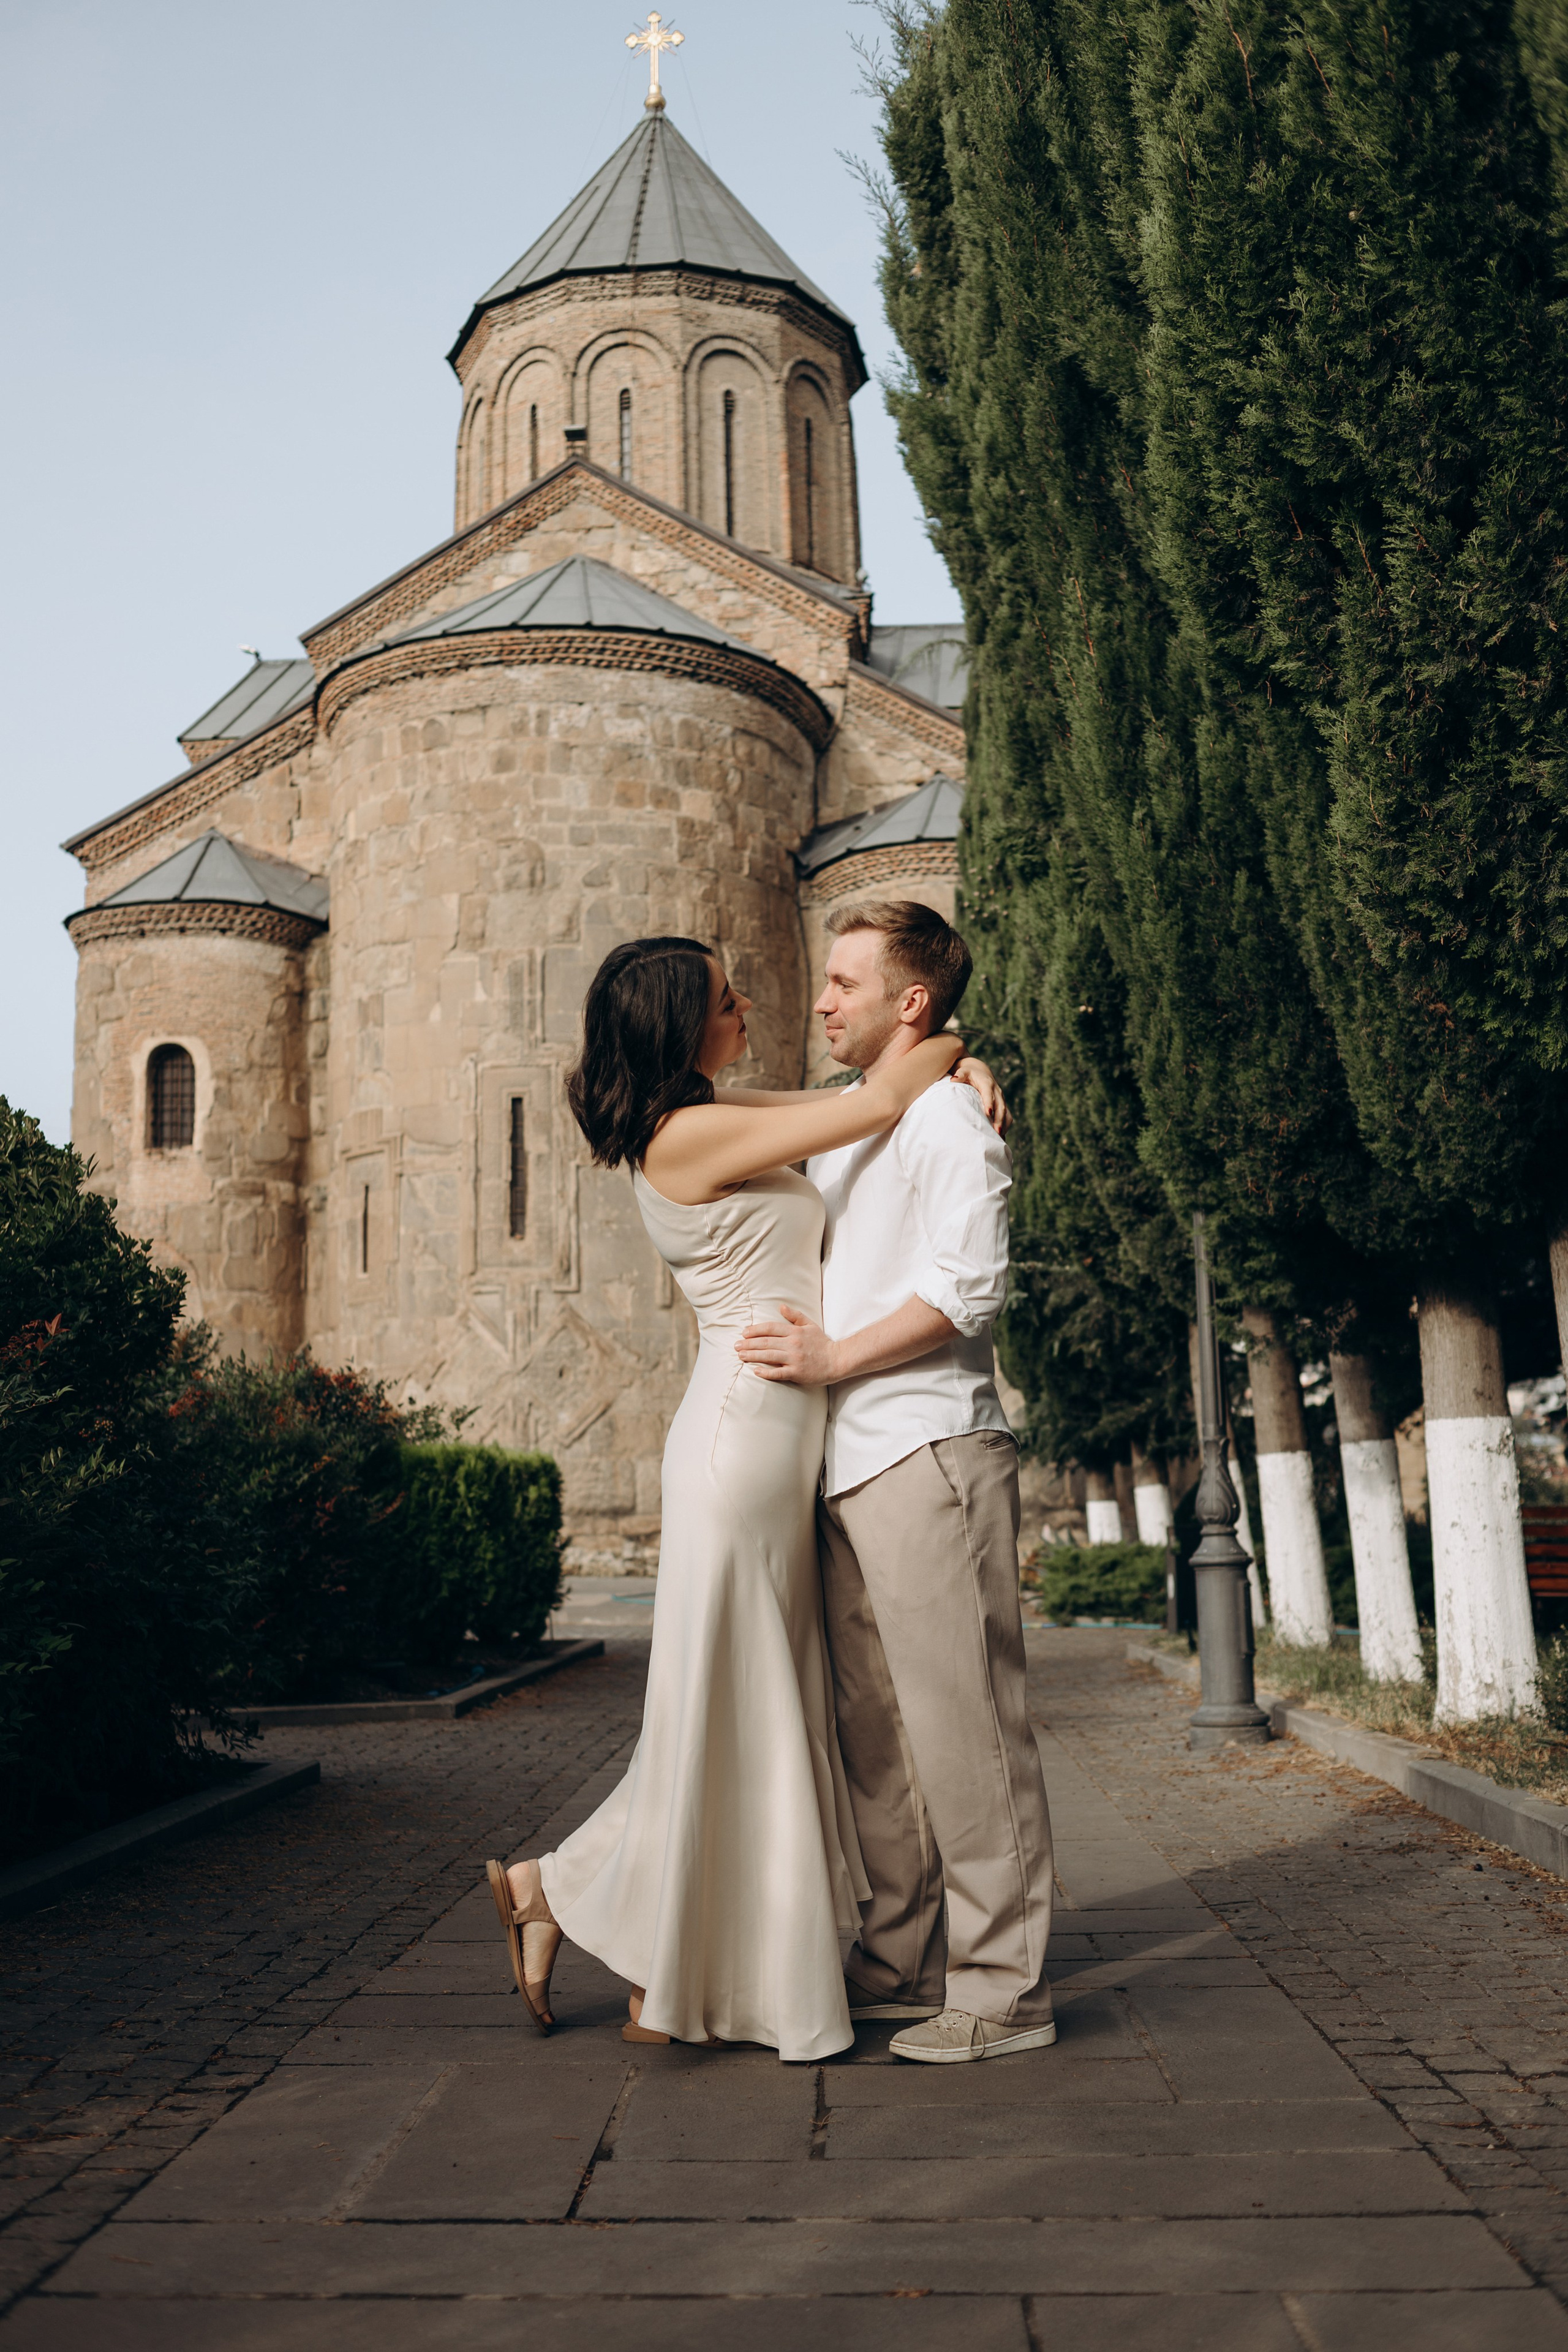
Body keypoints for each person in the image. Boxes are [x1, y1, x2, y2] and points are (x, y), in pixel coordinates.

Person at [484, 935, 1004, 2060]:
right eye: (728, 999)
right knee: (729, 1713)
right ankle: (606, 1926)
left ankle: (600, 1923)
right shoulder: (695, 1135)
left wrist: (946, 1065)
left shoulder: (707, 1112)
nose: (752, 1005)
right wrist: (955, 1046)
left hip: (775, 1436)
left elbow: (862, 1093)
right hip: (743, 1442)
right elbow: (874, 1103)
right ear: (684, 1027)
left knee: (730, 1713)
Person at [736, 900, 1057, 2065]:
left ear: (907, 1001)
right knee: (881, 1741)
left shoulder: (946, 1128)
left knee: (969, 1730)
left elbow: (970, 1290)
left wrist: (829, 1358)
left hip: (929, 1452)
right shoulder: (858, 1122)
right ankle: (902, 1955)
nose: (820, 1001)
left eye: (841, 984)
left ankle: (1005, 1989)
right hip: (847, 1464)